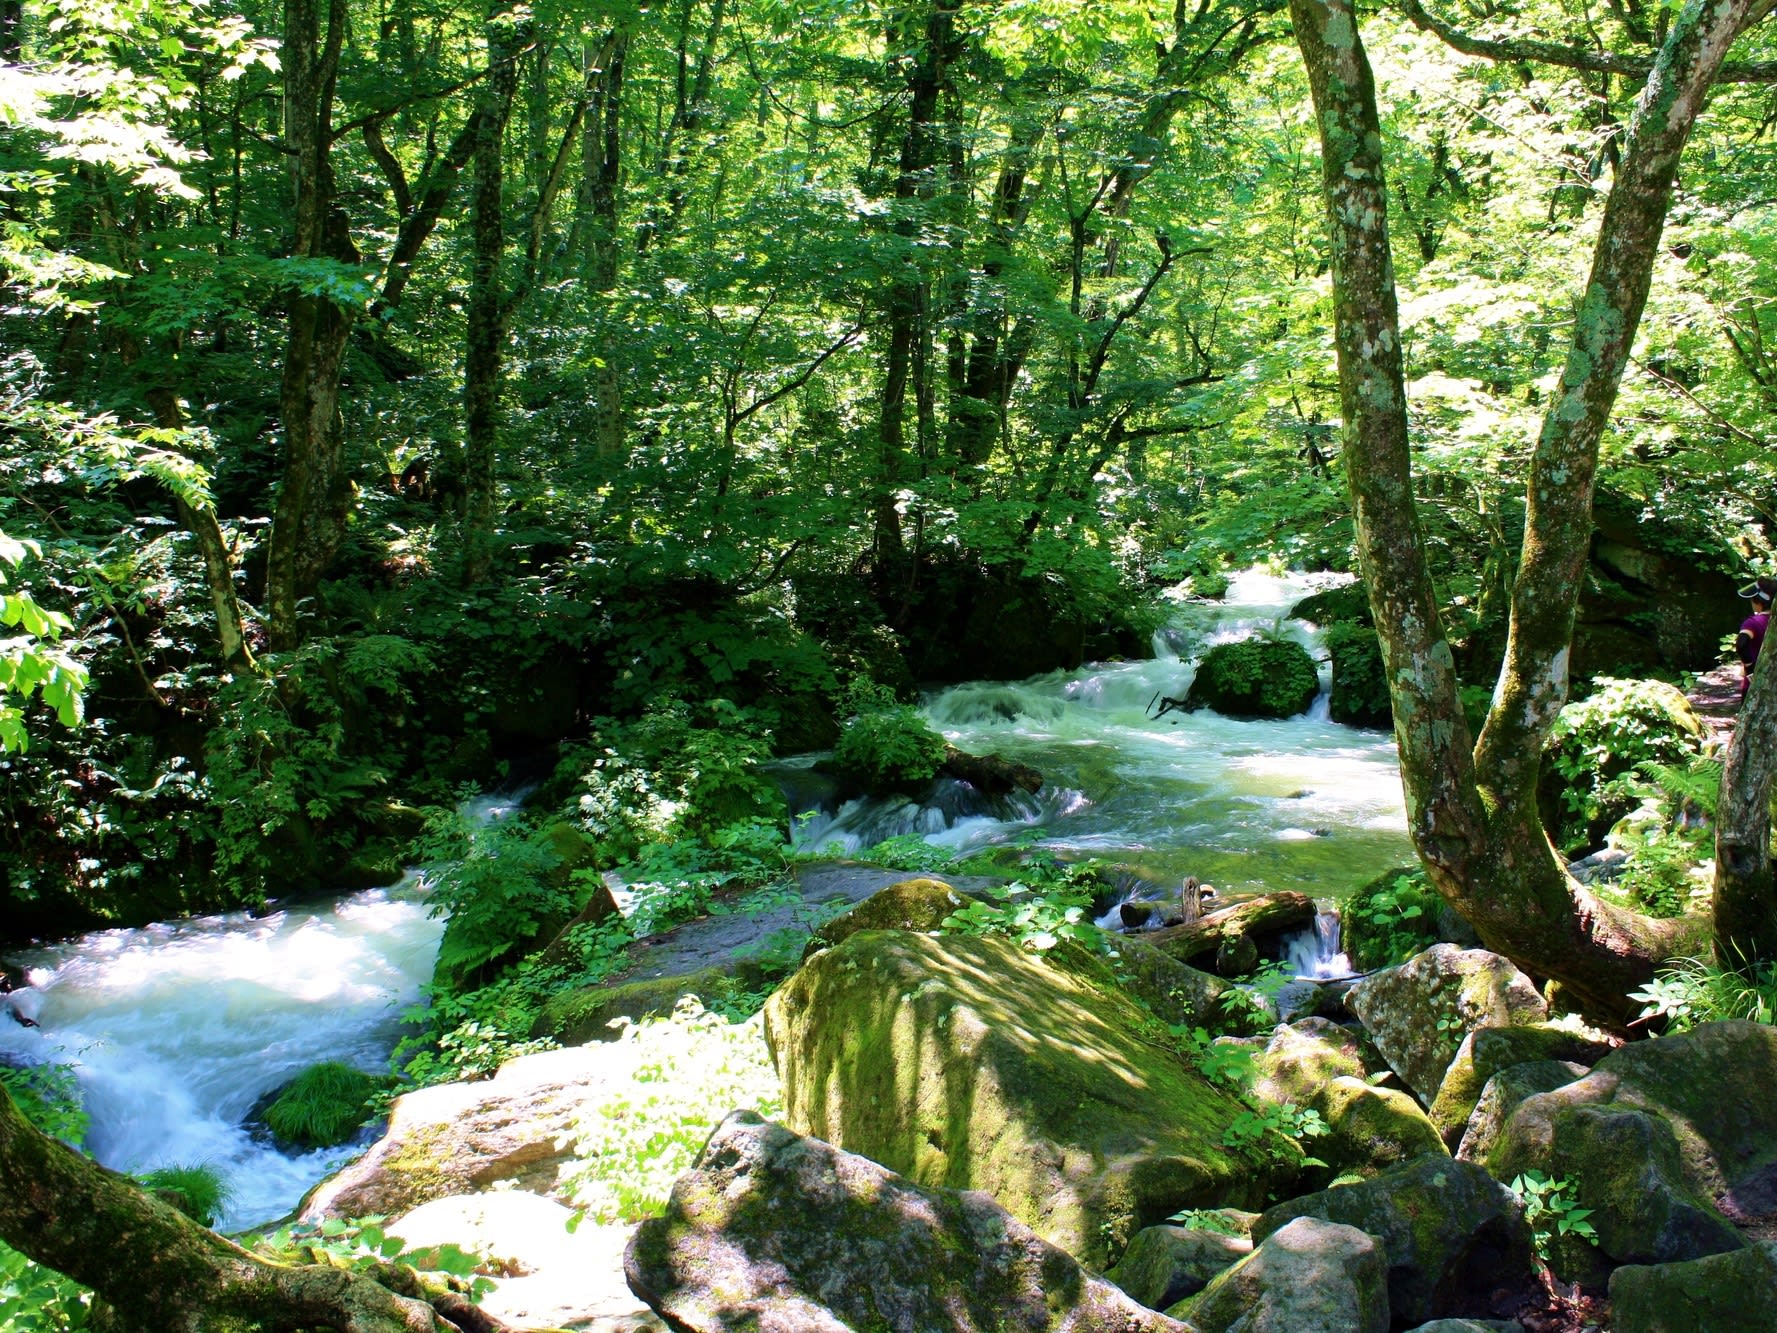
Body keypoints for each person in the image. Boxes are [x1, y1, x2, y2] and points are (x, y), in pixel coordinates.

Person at [1735, 576, 1776, 698]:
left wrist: (1749, 668)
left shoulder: (1753, 622)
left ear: (1757, 601)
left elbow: (1741, 643)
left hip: (1755, 683)